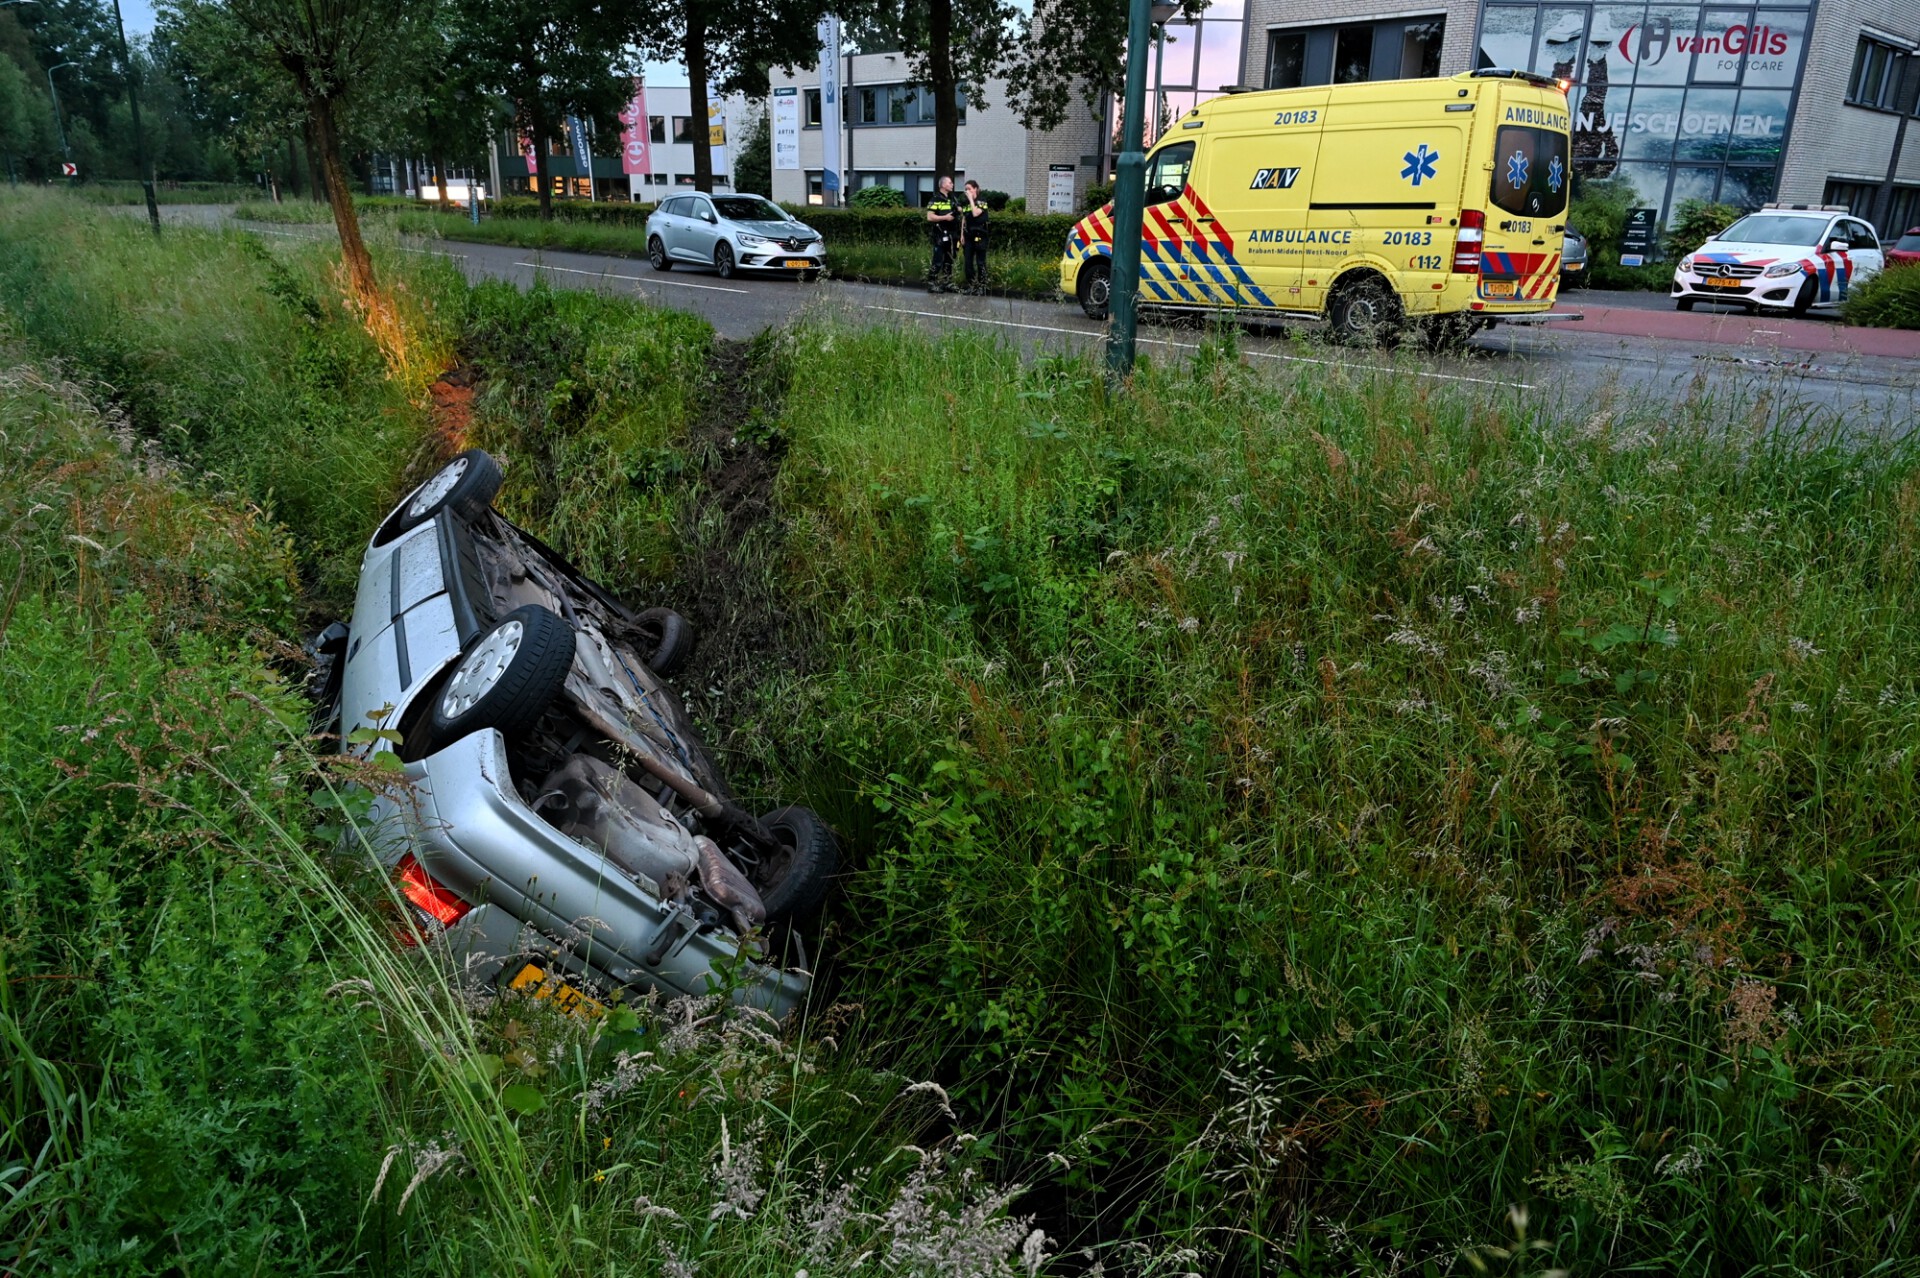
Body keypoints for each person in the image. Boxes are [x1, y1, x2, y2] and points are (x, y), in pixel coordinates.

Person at [924, 176, 958, 293]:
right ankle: (931, 284)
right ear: (943, 185)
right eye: (950, 183)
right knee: (938, 260)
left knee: (949, 260)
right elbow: (930, 217)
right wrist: (945, 217)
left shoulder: (952, 199)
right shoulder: (935, 199)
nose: (952, 184)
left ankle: (947, 283)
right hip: (940, 234)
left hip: (951, 234)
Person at [960, 180, 990, 295]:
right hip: (968, 236)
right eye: (966, 189)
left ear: (975, 189)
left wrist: (971, 200)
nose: (967, 191)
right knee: (968, 262)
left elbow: (975, 213)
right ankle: (972, 285)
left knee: (980, 262)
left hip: (980, 235)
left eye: (969, 189)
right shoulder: (966, 203)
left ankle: (982, 286)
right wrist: (962, 234)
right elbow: (964, 218)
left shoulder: (982, 201)